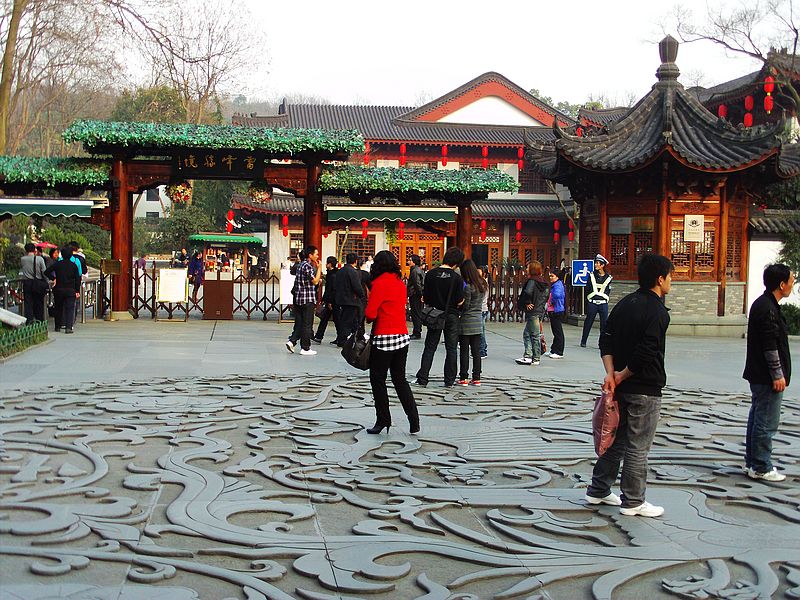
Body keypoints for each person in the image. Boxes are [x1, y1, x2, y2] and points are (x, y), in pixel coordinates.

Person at [585, 253, 673, 518]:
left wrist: (611, 374)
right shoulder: (657, 311)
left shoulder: (625, 303)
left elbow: (606, 339)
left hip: (620, 387)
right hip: (644, 388)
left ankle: (599, 489)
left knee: (616, 440)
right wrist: (621, 375)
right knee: (638, 446)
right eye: (670, 277)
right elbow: (646, 352)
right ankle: (634, 501)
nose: (671, 282)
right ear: (660, 279)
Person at [742, 263, 794, 482]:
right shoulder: (767, 308)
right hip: (766, 376)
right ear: (781, 284)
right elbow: (769, 345)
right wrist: (777, 374)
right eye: (791, 281)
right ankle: (761, 466)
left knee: (758, 418)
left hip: (759, 375)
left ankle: (753, 462)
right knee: (765, 422)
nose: (792, 285)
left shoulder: (764, 304)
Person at [364, 250, 419, 435]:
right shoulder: (400, 283)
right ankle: (414, 420)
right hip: (402, 337)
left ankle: (383, 419)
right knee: (400, 380)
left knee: (378, 380)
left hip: (384, 339)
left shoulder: (378, 284)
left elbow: (370, 314)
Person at [415, 246, 465, 388]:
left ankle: (423, 377)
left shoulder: (431, 274)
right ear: (457, 263)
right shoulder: (457, 278)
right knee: (451, 348)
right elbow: (460, 300)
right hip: (451, 315)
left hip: (435, 314)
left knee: (430, 347)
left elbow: (425, 297)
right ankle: (449, 380)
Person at [286, 245, 321, 356]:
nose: (317, 256)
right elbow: (315, 281)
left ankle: (292, 341)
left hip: (299, 298)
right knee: (307, 324)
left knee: (300, 322)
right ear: (310, 255)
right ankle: (305, 348)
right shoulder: (308, 266)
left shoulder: (300, 265)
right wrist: (319, 268)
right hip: (307, 298)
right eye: (316, 254)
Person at [457, 259, 487, 386]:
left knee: (464, 351)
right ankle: (476, 377)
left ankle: (464, 377)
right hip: (477, 321)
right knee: (476, 351)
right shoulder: (482, 285)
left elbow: (466, 306)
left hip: (466, 321)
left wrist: (459, 305)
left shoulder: (469, 287)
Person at [515, 261, 549, 366]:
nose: (526, 269)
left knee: (533, 335)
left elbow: (527, 292)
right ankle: (529, 355)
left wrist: (527, 302)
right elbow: (546, 295)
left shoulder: (532, 281)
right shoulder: (543, 282)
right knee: (528, 333)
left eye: (528, 267)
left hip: (533, 311)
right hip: (539, 310)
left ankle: (533, 357)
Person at [44, 245, 82, 334]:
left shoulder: (58, 264)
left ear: (62, 255)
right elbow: (78, 279)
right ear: (71, 255)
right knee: (70, 308)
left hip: (59, 289)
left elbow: (46, 272)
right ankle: (68, 327)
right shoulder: (73, 265)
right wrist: (77, 290)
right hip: (70, 289)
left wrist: (53, 278)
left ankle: (57, 326)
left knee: (58, 308)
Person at [334, 253, 366, 346]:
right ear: (356, 261)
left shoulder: (340, 271)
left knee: (349, 320)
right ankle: (342, 340)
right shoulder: (352, 272)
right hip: (351, 300)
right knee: (348, 321)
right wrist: (362, 295)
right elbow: (357, 286)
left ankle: (359, 337)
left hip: (341, 299)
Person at [580, 254, 612, 348]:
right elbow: (587, 288)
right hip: (592, 303)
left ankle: (602, 343)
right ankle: (583, 341)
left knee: (604, 324)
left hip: (603, 304)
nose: (596, 265)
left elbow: (608, 291)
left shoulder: (608, 277)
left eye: (598, 263)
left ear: (602, 265)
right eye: (596, 263)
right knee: (588, 322)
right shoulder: (591, 275)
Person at [20, 242, 47, 324]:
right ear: (34, 250)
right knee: (38, 302)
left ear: (26, 250)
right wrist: (47, 281)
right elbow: (44, 272)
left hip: (27, 283)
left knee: (28, 302)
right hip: (38, 282)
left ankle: (29, 320)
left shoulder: (22, 259)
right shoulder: (40, 259)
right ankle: (39, 320)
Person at [313, 256, 338, 344]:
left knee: (336, 320)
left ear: (330, 264)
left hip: (332, 301)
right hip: (329, 300)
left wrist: (329, 301)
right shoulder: (331, 274)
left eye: (327, 263)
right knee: (325, 319)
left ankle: (341, 338)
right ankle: (319, 336)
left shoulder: (333, 275)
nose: (325, 264)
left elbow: (332, 289)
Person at [544, 269, 566, 359]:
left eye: (552, 276)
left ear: (557, 277)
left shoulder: (558, 285)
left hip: (556, 310)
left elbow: (557, 295)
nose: (550, 278)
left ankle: (559, 351)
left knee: (558, 332)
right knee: (555, 331)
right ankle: (554, 350)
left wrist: (552, 301)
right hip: (554, 310)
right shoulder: (555, 284)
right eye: (550, 276)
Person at [407, 255, 424, 339]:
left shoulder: (415, 271)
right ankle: (417, 330)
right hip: (416, 294)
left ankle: (417, 332)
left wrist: (421, 295)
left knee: (416, 313)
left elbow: (417, 284)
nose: (408, 262)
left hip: (415, 294)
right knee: (417, 313)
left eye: (410, 260)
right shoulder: (418, 270)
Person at [478, 266, 490, 359]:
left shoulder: (482, 283)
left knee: (480, 331)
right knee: (480, 330)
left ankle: (482, 351)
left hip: (481, 309)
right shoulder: (481, 282)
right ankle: (482, 349)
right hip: (482, 309)